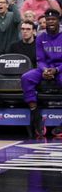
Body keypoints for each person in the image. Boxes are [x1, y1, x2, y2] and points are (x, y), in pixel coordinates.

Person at [23, 9, 62, 138]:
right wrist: (45, 70)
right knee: (26, 78)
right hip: (46, 68)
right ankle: (36, 116)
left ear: (58, 21)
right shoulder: (40, 37)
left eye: (53, 19)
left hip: (60, 68)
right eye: (48, 20)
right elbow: (40, 59)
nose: (50, 22)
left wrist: (56, 70)